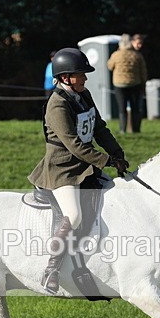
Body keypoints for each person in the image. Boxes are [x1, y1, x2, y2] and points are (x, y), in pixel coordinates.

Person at [28, 47, 129, 294]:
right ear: (65, 77)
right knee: (73, 216)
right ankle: (51, 269)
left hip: (85, 165)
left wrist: (117, 152)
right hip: (62, 169)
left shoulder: (84, 95)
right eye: (80, 74)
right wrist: (106, 160)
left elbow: (99, 128)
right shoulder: (57, 105)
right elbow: (74, 145)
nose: (85, 78)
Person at [106, 33, 148, 134]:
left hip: (119, 84)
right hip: (134, 84)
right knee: (135, 108)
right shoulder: (136, 55)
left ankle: (122, 130)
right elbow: (143, 72)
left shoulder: (116, 55)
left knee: (122, 109)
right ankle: (136, 130)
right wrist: (143, 84)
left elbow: (109, 66)